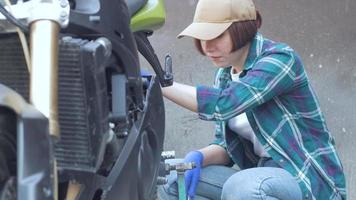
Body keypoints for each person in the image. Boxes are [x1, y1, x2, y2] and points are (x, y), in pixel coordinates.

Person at [157, 0, 346, 199]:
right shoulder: (224, 76)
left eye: (217, 35)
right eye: (202, 37)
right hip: (263, 178)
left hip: (306, 180)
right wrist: (198, 157)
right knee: (170, 174)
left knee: (242, 186)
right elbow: (225, 147)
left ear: (243, 29)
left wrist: (157, 85)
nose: (208, 47)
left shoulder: (280, 60)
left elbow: (224, 104)